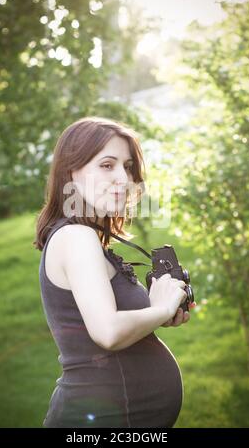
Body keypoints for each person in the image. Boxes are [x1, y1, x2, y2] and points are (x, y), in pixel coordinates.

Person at [34, 116, 192, 428]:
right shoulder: (76, 237)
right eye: (107, 165)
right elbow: (107, 331)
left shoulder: (86, 237)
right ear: (71, 172)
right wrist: (160, 309)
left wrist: (160, 312)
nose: (123, 177)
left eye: (128, 166)